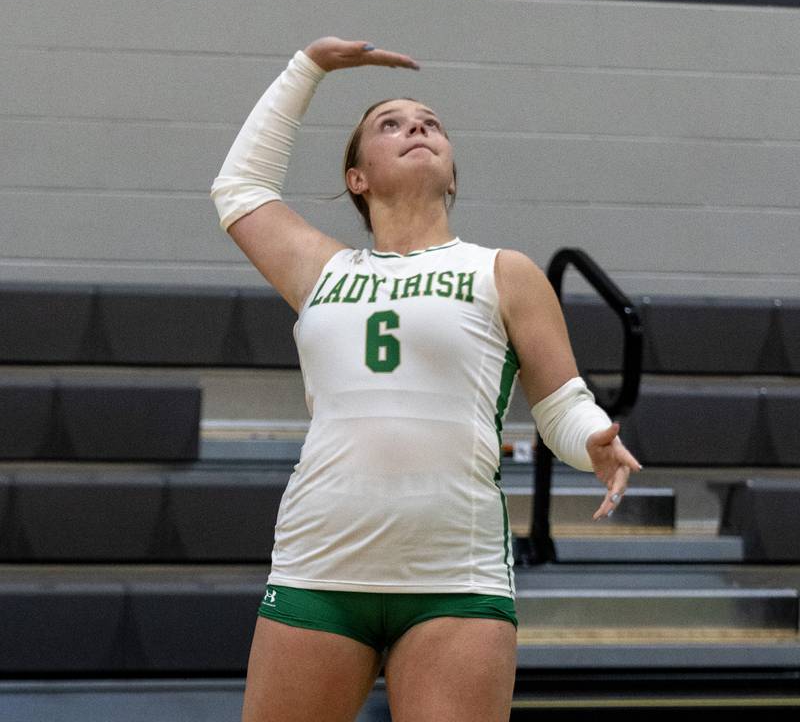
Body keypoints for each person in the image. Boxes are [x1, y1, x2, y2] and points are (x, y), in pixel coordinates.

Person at [211, 37, 642, 722]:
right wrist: (309, 66)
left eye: (430, 122)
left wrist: (591, 438)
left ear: (453, 176)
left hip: (455, 577)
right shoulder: (323, 271)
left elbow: (561, 405)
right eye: (391, 123)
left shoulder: (503, 271)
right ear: (357, 177)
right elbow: (239, 190)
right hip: (319, 566)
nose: (417, 126)